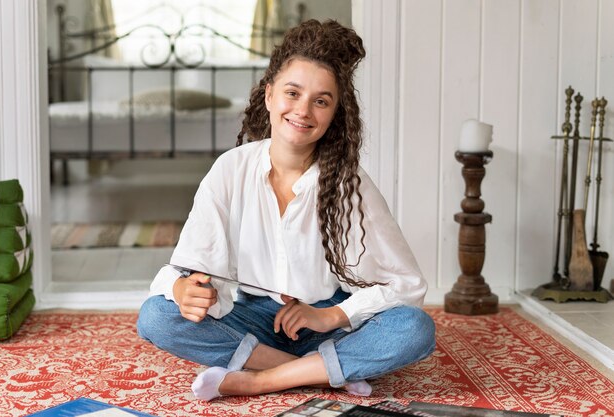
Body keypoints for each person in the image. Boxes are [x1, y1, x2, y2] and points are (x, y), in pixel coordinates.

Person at [137, 19, 436, 401]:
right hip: (251, 321)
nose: (303, 110)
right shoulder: (230, 169)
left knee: (414, 328)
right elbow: (186, 272)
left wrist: (329, 316)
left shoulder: (348, 183)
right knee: (156, 317)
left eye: (321, 100)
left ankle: (261, 379)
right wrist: (183, 289)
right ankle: (322, 371)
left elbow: (408, 285)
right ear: (269, 96)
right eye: (292, 93)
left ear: (333, 115)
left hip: (326, 323)